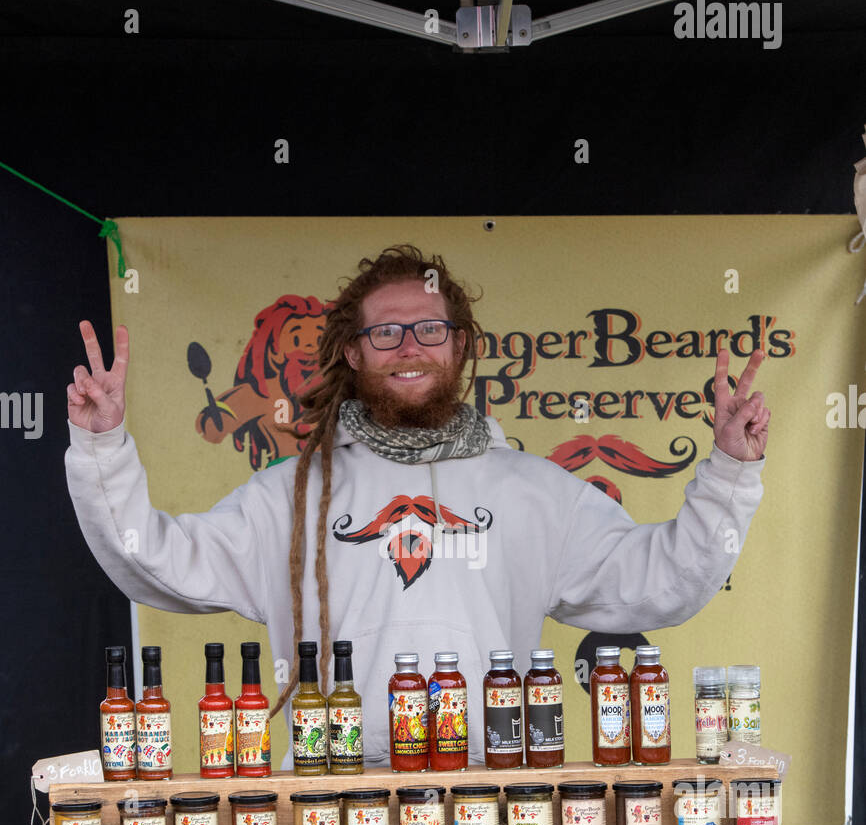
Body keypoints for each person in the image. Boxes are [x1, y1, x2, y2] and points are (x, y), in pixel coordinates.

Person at [66, 244, 770, 767]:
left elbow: (663, 582)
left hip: (491, 808)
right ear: (351, 350)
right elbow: (152, 562)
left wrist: (732, 471)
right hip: (328, 801)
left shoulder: (533, 492)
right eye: (386, 333)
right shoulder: (290, 494)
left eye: (430, 330)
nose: (410, 348)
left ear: (460, 345)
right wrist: (102, 448)